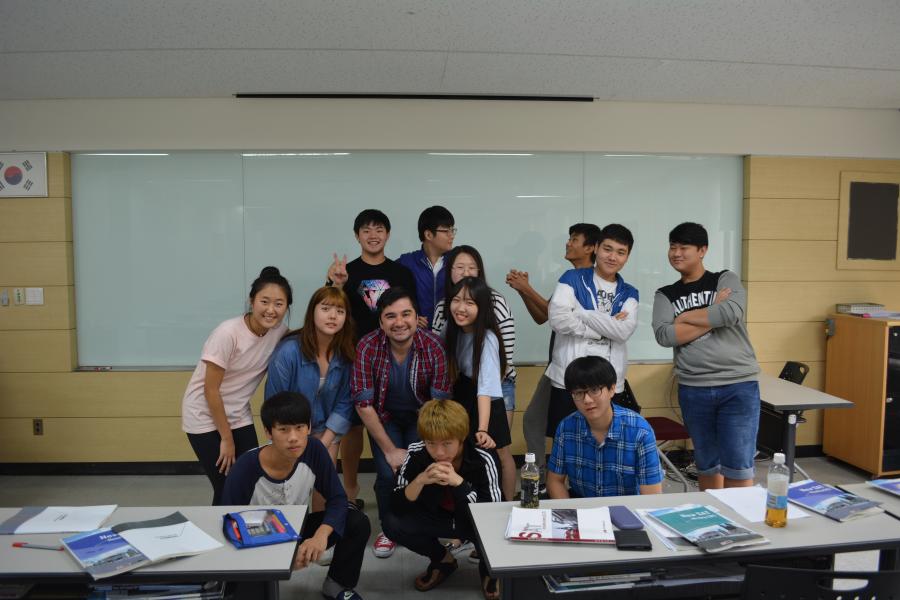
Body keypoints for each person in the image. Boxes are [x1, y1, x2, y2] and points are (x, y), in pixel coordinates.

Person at [222, 392, 370, 600]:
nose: (293, 437)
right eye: (283, 429)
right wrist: (281, 559)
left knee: (357, 522)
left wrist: (320, 536)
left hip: (296, 529)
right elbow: (229, 524)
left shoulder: (314, 450)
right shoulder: (245, 468)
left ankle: (337, 584)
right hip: (256, 540)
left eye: (300, 427)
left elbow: (337, 499)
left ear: (308, 427)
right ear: (268, 432)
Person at [652, 222, 760, 491]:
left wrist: (684, 317)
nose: (676, 253)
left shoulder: (725, 279)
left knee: (738, 464)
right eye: (672, 247)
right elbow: (664, 335)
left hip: (737, 384)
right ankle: (713, 515)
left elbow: (731, 313)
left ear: (702, 250)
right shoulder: (666, 294)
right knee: (707, 464)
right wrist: (713, 313)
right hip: (694, 388)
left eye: (684, 247)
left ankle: (740, 515)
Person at [325, 209, 418, 508]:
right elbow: (330, 308)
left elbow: (411, 314)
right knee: (353, 428)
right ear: (357, 236)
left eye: (379, 229)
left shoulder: (401, 273)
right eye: (366, 230)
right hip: (354, 359)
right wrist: (337, 284)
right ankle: (351, 491)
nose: (373, 235)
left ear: (387, 234)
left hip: (393, 361)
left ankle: (396, 485)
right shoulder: (344, 272)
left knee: (388, 419)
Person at [351, 287, 451, 558]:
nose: (399, 322)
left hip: (423, 417)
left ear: (417, 317)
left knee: (421, 468)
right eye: (391, 316)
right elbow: (363, 404)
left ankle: (419, 522)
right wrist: (390, 450)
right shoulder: (367, 346)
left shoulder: (434, 346)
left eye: (406, 314)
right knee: (388, 472)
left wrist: (422, 446)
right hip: (383, 417)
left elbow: (439, 403)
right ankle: (389, 528)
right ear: (381, 321)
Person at [181, 266, 292, 505]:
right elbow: (210, 390)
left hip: (238, 414)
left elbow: (315, 332)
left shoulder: (279, 332)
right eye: (264, 301)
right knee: (226, 484)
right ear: (252, 301)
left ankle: (238, 525)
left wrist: (333, 286)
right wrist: (226, 438)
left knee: (250, 480)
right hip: (203, 414)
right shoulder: (228, 333)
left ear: (286, 307)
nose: (271, 310)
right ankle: (221, 528)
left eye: (279, 304)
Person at [508, 224, 601, 487]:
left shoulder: (591, 281)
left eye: (574, 239)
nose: (568, 243)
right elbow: (543, 316)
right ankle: (537, 477)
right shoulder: (569, 278)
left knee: (572, 428)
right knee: (533, 420)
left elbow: (555, 314)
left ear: (590, 248)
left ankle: (565, 481)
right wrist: (522, 291)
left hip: (579, 370)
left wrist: (527, 288)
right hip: (557, 365)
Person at [383, 399, 502, 600]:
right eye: (431, 443)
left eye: (447, 443)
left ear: (461, 438)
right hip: (435, 518)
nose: (439, 452)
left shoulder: (483, 456)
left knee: (497, 531)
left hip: (472, 522)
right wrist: (420, 481)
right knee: (392, 522)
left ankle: (488, 567)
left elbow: (493, 513)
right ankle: (442, 559)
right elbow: (395, 505)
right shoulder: (416, 453)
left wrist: (460, 484)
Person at [546, 224, 639, 440]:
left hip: (609, 383)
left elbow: (623, 331)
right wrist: (604, 328)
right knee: (566, 440)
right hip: (569, 378)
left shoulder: (629, 292)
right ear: (596, 248)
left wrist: (583, 313)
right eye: (607, 249)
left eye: (621, 252)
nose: (613, 257)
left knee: (607, 441)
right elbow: (558, 319)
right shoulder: (571, 278)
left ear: (627, 257)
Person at [546, 356, 663, 498]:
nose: (587, 400)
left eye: (594, 390)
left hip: (626, 507)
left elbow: (651, 496)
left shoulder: (640, 431)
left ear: (612, 389)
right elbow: (555, 481)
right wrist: (570, 510)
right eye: (579, 393)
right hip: (582, 505)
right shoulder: (566, 428)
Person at [443, 276, 515, 501]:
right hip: (463, 396)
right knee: (468, 456)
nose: (461, 308)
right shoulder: (451, 329)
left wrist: (483, 429)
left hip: (487, 402)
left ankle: (507, 504)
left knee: (498, 455)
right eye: (456, 300)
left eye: (469, 302)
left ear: (481, 307)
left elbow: (485, 389)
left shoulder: (488, 338)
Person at [265, 286, 355, 464]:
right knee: (294, 480)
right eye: (325, 309)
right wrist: (298, 437)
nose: (333, 316)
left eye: (340, 311)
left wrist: (324, 442)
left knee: (324, 477)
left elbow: (345, 403)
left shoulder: (346, 355)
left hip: (327, 430)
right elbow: (275, 403)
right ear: (312, 312)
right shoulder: (288, 352)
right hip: (289, 431)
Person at [432, 245, 517, 431]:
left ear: (479, 271)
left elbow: (505, 358)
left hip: (496, 384)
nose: (466, 272)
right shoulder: (443, 307)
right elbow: (439, 353)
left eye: (471, 268)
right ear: (449, 271)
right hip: (461, 386)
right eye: (459, 267)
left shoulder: (496, 303)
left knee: (494, 442)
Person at [397, 205, 456, 327]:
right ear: (428, 235)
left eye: (452, 230)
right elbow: (389, 299)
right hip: (418, 335)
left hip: (450, 332)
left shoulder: (457, 261)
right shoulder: (406, 262)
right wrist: (408, 316)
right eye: (446, 231)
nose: (452, 235)